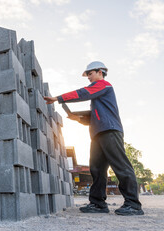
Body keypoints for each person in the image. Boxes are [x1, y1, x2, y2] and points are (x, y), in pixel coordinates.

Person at [44, 61, 144, 216]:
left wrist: (58, 98)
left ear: (100, 72)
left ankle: (133, 205)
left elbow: (83, 93)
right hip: (98, 133)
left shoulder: (104, 85)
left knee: (121, 165)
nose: (88, 77)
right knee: (96, 168)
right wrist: (77, 117)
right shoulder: (97, 99)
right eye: (88, 75)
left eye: (90, 74)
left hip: (110, 130)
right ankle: (98, 204)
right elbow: (95, 116)